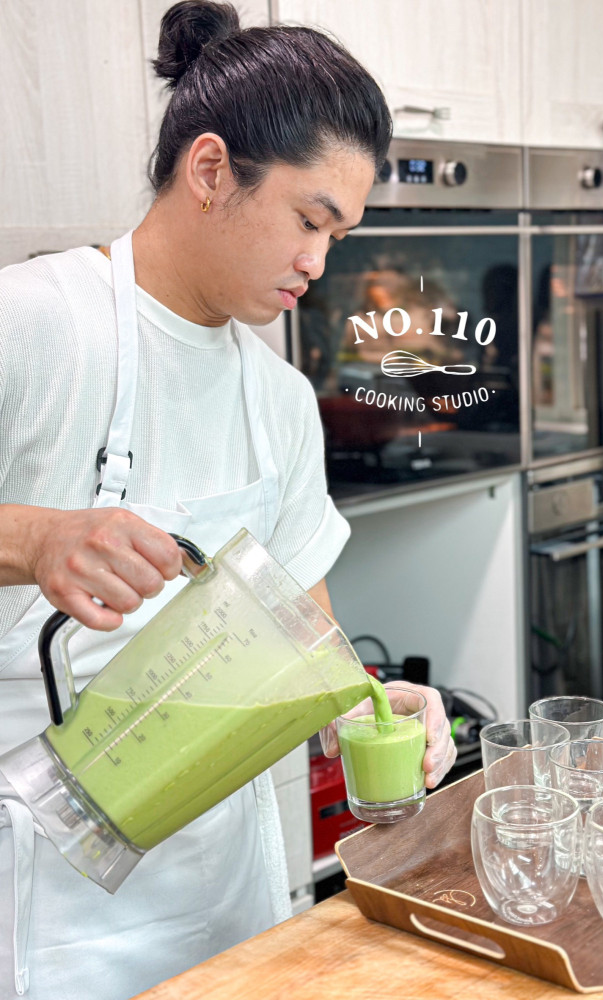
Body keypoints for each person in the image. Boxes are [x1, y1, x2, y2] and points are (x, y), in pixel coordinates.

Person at [0, 3, 457, 997]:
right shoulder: (31, 324)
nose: (318, 264)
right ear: (210, 171)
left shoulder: (278, 400)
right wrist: (33, 539)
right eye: (308, 221)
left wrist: (371, 706)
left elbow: (306, 641)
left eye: (338, 235)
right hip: (37, 894)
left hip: (228, 892)